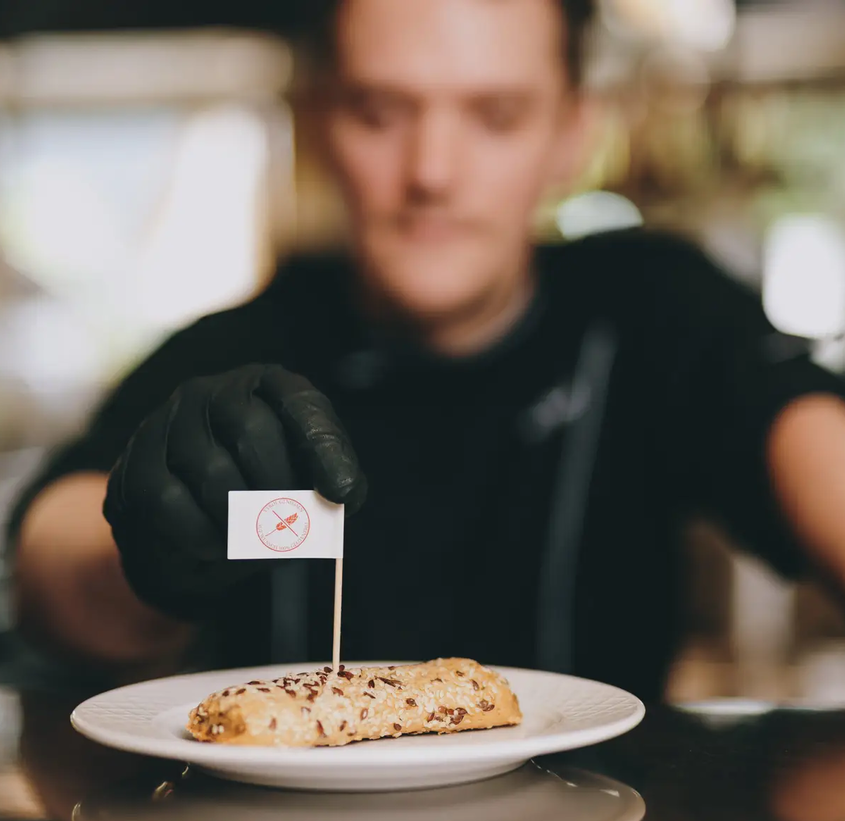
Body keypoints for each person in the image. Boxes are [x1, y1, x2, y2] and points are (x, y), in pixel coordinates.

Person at [7, 0, 845, 701]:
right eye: (380, 110)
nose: (432, 171)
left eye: (496, 115)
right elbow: (54, 565)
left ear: (570, 131)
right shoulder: (236, 349)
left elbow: (815, 453)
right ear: (320, 118)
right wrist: (148, 555)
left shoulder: (656, 310)